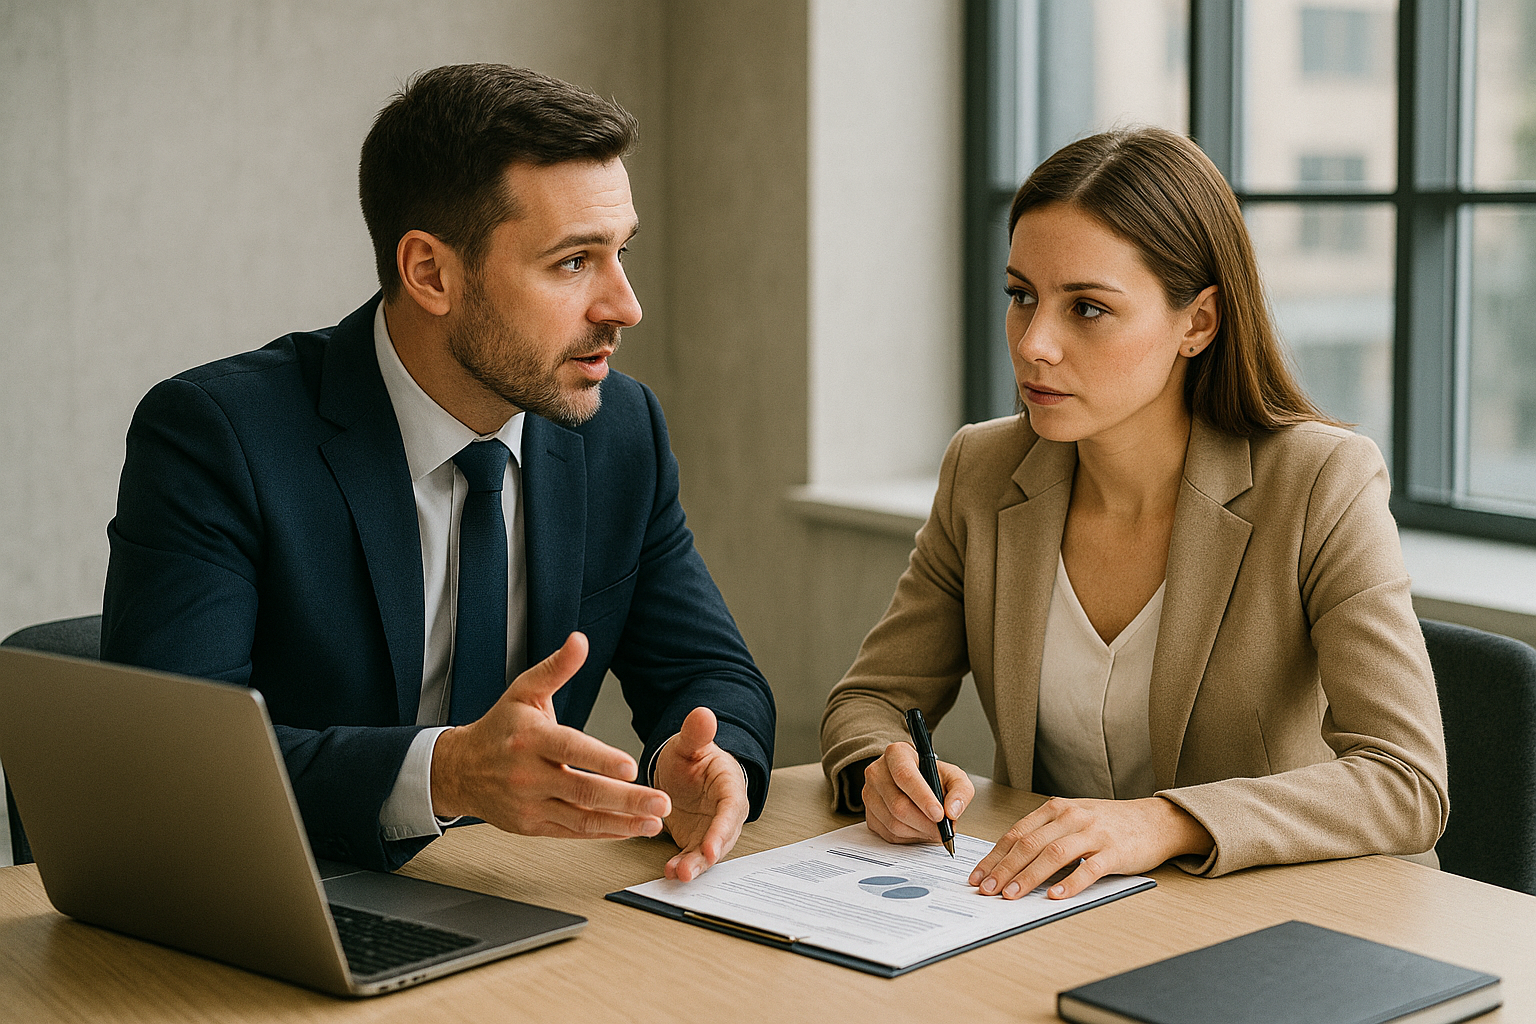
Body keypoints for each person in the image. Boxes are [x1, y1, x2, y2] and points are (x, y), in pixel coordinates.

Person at [101, 65, 774, 879]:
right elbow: (175, 764)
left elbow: (710, 672)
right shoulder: (219, 437)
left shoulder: (619, 429)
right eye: (572, 263)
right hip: (283, 900)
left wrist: (705, 759)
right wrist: (447, 774)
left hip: (510, 900)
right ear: (430, 273)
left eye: (621, 252)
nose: (624, 306)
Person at [820, 127, 1447, 901]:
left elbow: (1406, 781)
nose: (1035, 344)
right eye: (1022, 296)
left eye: (1087, 307)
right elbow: (870, 699)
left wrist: (1162, 821)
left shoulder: (1320, 481)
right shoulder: (982, 473)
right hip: (1061, 914)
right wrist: (880, 765)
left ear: (1199, 323)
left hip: (1288, 925)